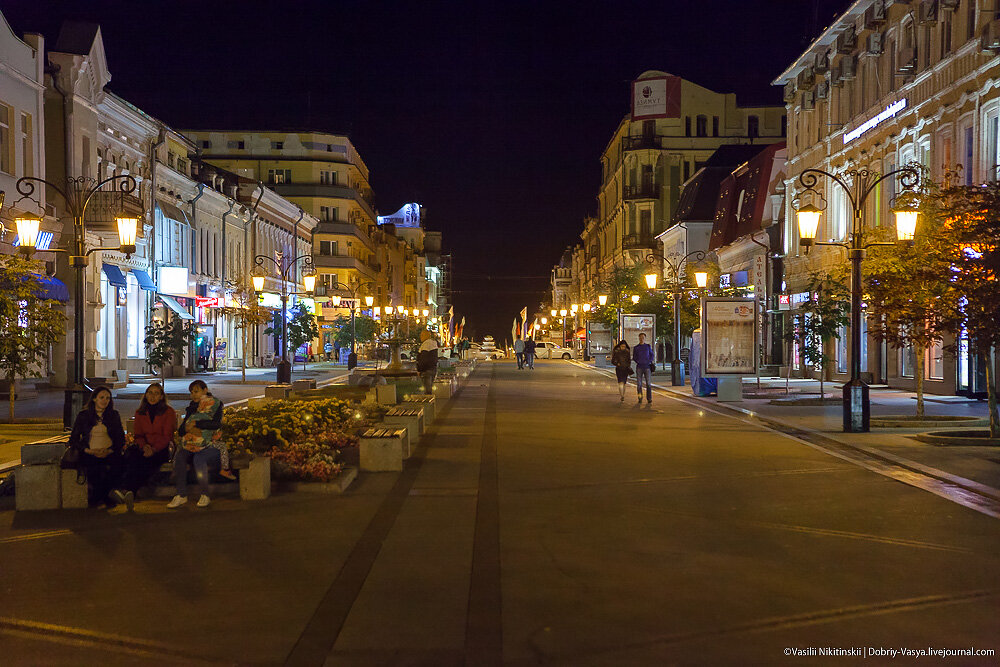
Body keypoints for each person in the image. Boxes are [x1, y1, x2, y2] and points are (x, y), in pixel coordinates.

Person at [114, 383, 176, 511]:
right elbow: (138, 435)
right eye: (150, 393)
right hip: (145, 446)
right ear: (145, 395)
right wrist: (145, 447)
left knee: (146, 462)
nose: (152, 396)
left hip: (162, 448)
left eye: (156, 393)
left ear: (161, 396)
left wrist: (153, 449)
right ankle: (125, 490)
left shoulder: (168, 412)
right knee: (131, 455)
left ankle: (129, 490)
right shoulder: (140, 412)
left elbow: (167, 436)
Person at [168, 380, 226, 509]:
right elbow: (182, 429)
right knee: (181, 456)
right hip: (192, 444)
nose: (193, 395)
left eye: (196, 391)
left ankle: (205, 494)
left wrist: (198, 425)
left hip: (211, 445)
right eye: (191, 392)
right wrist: (188, 428)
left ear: (205, 390)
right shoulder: (192, 408)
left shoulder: (215, 404)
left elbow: (216, 424)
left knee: (199, 458)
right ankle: (181, 495)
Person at [68, 386, 126, 507]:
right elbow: (74, 438)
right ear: (94, 399)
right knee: (94, 467)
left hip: (109, 451)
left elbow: (120, 438)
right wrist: (88, 450)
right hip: (89, 451)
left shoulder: (113, 415)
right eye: (101, 397)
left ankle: (102, 496)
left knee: (117, 465)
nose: (105, 400)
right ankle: (102, 497)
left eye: (108, 398)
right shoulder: (84, 415)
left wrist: (109, 450)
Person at [633, 333, 655, 404]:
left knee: (648, 383)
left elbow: (652, 355)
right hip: (639, 367)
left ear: (645, 338)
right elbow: (634, 357)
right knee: (639, 384)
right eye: (640, 337)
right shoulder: (636, 348)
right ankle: (640, 397)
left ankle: (649, 398)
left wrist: (649, 361)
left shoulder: (648, 346)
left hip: (647, 367)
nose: (641, 339)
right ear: (639, 338)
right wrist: (638, 361)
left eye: (643, 337)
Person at [416, 330, 439, 394]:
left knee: (427, 390)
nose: (420, 337)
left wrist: (419, 370)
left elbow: (423, 358)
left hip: (426, 370)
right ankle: (431, 402)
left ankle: (428, 403)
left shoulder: (426, 344)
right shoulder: (433, 343)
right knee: (430, 388)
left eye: (422, 335)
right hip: (433, 368)